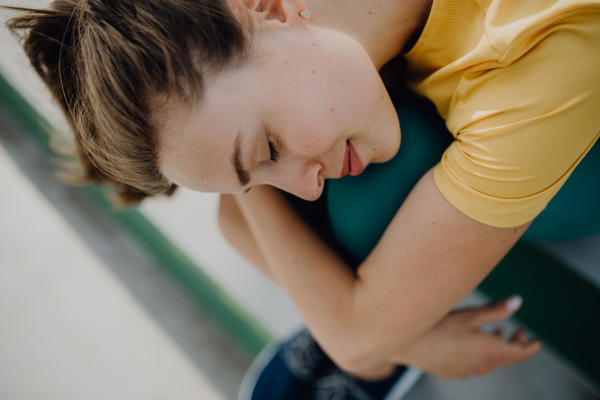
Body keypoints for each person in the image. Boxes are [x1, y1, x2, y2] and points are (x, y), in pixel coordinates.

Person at [5, 0, 600, 398]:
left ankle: (387, 313)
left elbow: (354, 340)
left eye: (266, 148)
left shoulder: (532, 64)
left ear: (265, 8)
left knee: (363, 201)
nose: (304, 182)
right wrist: (246, 180)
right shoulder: (301, 26)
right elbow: (232, 217)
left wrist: (382, 337)